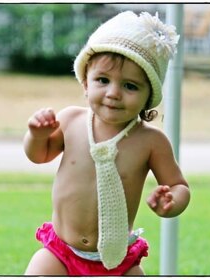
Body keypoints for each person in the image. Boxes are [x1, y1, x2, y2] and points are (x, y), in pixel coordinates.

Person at [23, 10, 191, 276]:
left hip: (118, 260)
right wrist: (37, 135)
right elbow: (39, 155)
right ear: (85, 82)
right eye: (103, 80)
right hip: (61, 253)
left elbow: (178, 185)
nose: (113, 93)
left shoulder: (151, 141)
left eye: (130, 86)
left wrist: (172, 201)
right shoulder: (70, 121)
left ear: (149, 96)